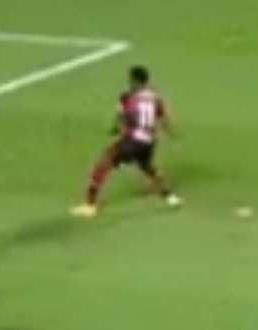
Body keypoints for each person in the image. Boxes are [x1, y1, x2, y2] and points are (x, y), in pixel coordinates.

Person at [71, 65, 182, 217]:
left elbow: (120, 118)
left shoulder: (127, 96)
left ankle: (89, 205)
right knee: (147, 166)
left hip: (133, 140)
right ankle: (170, 197)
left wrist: (114, 128)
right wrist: (173, 134)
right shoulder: (155, 98)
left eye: (130, 80)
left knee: (104, 162)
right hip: (149, 142)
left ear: (135, 81)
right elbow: (164, 119)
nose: (129, 82)